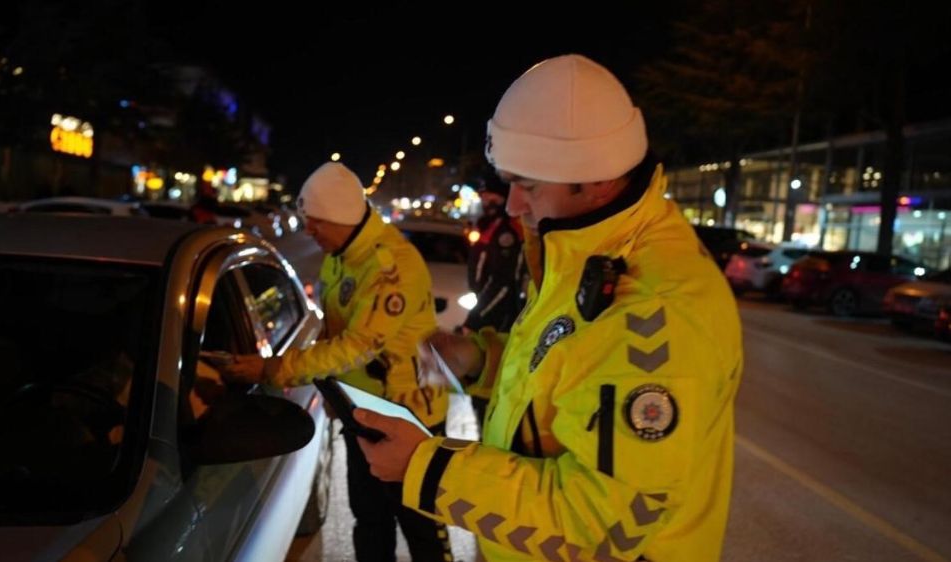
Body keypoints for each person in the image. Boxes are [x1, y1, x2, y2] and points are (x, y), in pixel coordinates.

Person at [354, 54, 743, 562]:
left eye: (528, 185)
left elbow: (606, 528)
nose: (514, 205)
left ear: (595, 178)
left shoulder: (654, 310)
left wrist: (424, 468)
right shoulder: (583, 253)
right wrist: (478, 361)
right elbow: (565, 377)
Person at [217, 162, 453, 562]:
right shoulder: (341, 255)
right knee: (369, 518)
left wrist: (272, 369)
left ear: (340, 218)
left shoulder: (390, 268)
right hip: (363, 411)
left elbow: (356, 346)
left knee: (422, 527)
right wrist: (334, 392)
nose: (308, 232)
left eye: (315, 223)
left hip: (409, 416)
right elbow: (332, 328)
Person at [464, 171, 525, 334]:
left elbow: (503, 282)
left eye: (492, 198)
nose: (487, 202)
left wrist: (475, 319)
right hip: (487, 306)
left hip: (498, 316)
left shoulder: (506, 232)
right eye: (484, 197)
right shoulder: (491, 226)